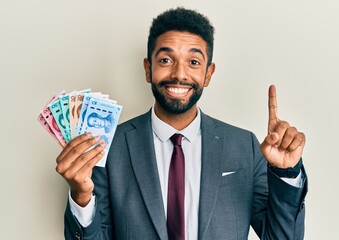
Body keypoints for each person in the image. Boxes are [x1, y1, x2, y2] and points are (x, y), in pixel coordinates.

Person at [56, 7, 307, 240]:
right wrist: (81, 197)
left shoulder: (244, 146)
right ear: (147, 68)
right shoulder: (109, 146)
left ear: (208, 74)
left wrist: (287, 174)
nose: (179, 74)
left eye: (194, 62)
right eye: (166, 60)